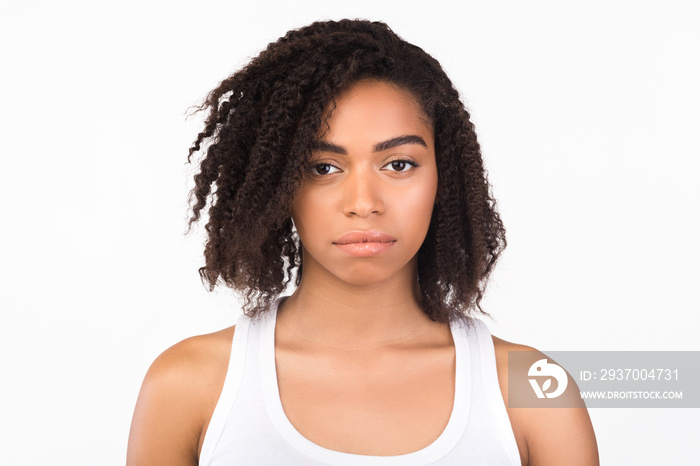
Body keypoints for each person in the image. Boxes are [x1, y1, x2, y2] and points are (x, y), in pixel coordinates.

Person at [127, 19, 598, 465]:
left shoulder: (535, 393)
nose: (363, 202)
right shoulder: (189, 385)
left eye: (398, 164)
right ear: (277, 185)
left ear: (445, 179)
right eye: (323, 168)